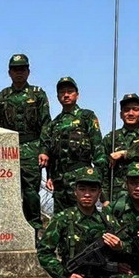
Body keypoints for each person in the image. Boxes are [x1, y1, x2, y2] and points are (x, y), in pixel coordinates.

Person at [0, 54, 51, 230]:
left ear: (28, 72)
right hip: (7, 149)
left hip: (31, 147)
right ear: (9, 72)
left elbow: (46, 124)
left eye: (22, 69)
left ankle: (34, 227)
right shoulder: (2, 97)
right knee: (6, 191)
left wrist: (44, 150)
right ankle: (8, 228)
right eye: (15, 70)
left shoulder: (38, 94)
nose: (19, 73)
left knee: (31, 191)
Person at [39, 77, 105, 214]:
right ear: (58, 96)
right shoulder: (54, 124)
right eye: (62, 92)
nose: (66, 95)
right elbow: (50, 152)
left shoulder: (86, 117)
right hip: (59, 181)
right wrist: (50, 175)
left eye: (70, 91)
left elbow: (98, 147)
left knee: (82, 218)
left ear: (77, 95)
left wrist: (99, 179)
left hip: (81, 179)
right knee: (61, 219)